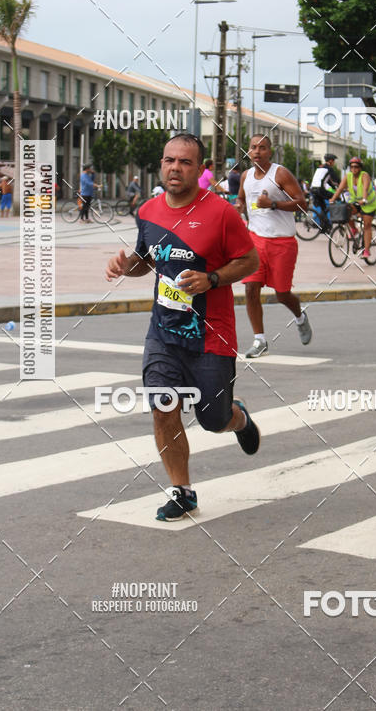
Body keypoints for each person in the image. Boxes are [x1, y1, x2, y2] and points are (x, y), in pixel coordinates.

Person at [105, 134, 260, 522]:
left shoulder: (222, 213)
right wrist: (127, 265)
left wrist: (212, 279)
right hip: (163, 332)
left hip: (212, 335)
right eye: (170, 160)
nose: (175, 168)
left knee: (213, 419)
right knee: (163, 408)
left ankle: (236, 417)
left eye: (185, 162)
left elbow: (250, 260)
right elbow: (145, 259)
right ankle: (182, 490)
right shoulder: (148, 210)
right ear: (161, 164)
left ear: (199, 169)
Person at [236, 133, 312, 358]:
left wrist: (273, 204)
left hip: (282, 241)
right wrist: (239, 206)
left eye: (262, 148)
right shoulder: (246, 176)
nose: (257, 152)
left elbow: (302, 205)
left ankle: (300, 317)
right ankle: (260, 340)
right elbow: (241, 198)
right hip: (255, 240)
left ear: (270, 151)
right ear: (248, 151)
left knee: (282, 293)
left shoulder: (280, 173)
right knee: (251, 289)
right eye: (253, 147)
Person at [330, 157, 376, 259]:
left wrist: (364, 199)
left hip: (369, 204)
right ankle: (354, 229)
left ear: (360, 168)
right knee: (346, 211)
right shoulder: (348, 176)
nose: (354, 169)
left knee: (367, 226)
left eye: (356, 167)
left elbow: (365, 188)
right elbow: (340, 188)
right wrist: (332, 199)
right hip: (356, 202)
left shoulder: (364, 175)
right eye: (352, 167)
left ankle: (366, 251)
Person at [309, 154, 340, 232]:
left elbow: (328, 181)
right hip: (320, 189)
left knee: (322, 207)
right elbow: (336, 180)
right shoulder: (329, 169)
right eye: (333, 161)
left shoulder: (320, 167)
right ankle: (325, 223)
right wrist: (340, 187)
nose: (334, 163)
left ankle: (323, 226)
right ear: (330, 161)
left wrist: (333, 187)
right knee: (334, 197)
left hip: (313, 189)